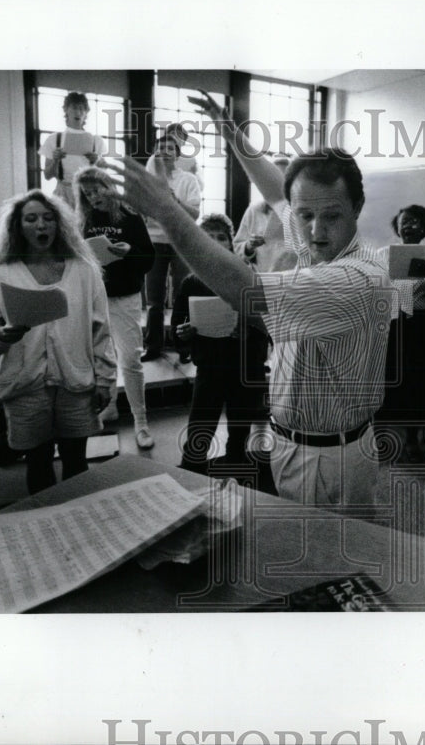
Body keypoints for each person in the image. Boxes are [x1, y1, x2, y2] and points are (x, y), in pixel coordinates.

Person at [102, 91, 392, 516]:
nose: (314, 230)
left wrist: (166, 209)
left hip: (332, 458)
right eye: (304, 214)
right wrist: (232, 135)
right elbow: (279, 193)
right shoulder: (322, 240)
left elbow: (246, 289)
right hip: (294, 441)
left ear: (358, 207)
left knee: (325, 563)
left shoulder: (358, 275)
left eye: (331, 216)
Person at [0, 190, 116, 495]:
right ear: (18, 226)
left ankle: (78, 524)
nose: (41, 226)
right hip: (25, 386)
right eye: (32, 219)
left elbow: (101, 331)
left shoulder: (84, 272)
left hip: (76, 383)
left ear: (59, 225)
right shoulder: (0, 276)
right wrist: (1, 336)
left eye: (48, 218)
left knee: (77, 461)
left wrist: (105, 380)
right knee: (38, 462)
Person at [172, 214, 270, 471]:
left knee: (239, 434)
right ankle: (190, 482)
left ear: (230, 243)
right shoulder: (191, 282)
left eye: (221, 237)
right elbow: (176, 326)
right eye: (208, 237)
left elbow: (269, 328)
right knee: (199, 433)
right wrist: (183, 333)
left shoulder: (248, 279)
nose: (215, 242)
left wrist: (250, 330)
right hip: (210, 369)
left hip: (245, 368)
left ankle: (236, 482)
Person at [74, 166, 157, 450]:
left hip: (125, 295)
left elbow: (148, 258)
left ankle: (140, 420)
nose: (93, 197)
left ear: (109, 187)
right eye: (87, 193)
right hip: (95, 297)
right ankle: (109, 407)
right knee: (101, 357)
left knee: (130, 359)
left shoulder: (129, 216)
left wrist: (129, 252)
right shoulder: (82, 220)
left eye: (97, 190)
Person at [378, 204, 425, 461]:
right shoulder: (381, 254)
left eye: (414, 221)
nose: (408, 225)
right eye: (404, 221)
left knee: (420, 381)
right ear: (396, 226)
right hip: (390, 323)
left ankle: (413, 437)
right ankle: (381, 436)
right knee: (387, 378)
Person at [141, 133, 203, 361]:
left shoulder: (188, 180)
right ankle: (153, 347)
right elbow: (141, 214)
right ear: (155, 152)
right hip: (154, 242)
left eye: (170, 148)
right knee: (154, 301)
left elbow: (195, 214)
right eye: (161, 147)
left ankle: (184, 348)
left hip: (180, 243)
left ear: (178, 154)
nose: (165, 151)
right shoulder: (147, 180)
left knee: (181, 297)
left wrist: (175, 202)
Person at [40, 91, 106, 209]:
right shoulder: (54, 139)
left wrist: (96, 161)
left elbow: (104, 176)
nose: (78, 112)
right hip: (63, 193)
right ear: (66, 110)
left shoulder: (96, 141)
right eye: (74, 108)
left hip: (88, 193)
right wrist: (55, 161)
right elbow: (47, 175)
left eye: (82, 109)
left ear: (86, 113)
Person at [233, 154, 298, 272]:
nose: (279, 184)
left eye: (284, 179)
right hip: (263, 276)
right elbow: (238, 247)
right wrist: (249, 246)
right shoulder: (254, 210)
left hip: (294, 277)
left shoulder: (301, 211)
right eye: (274, 179)